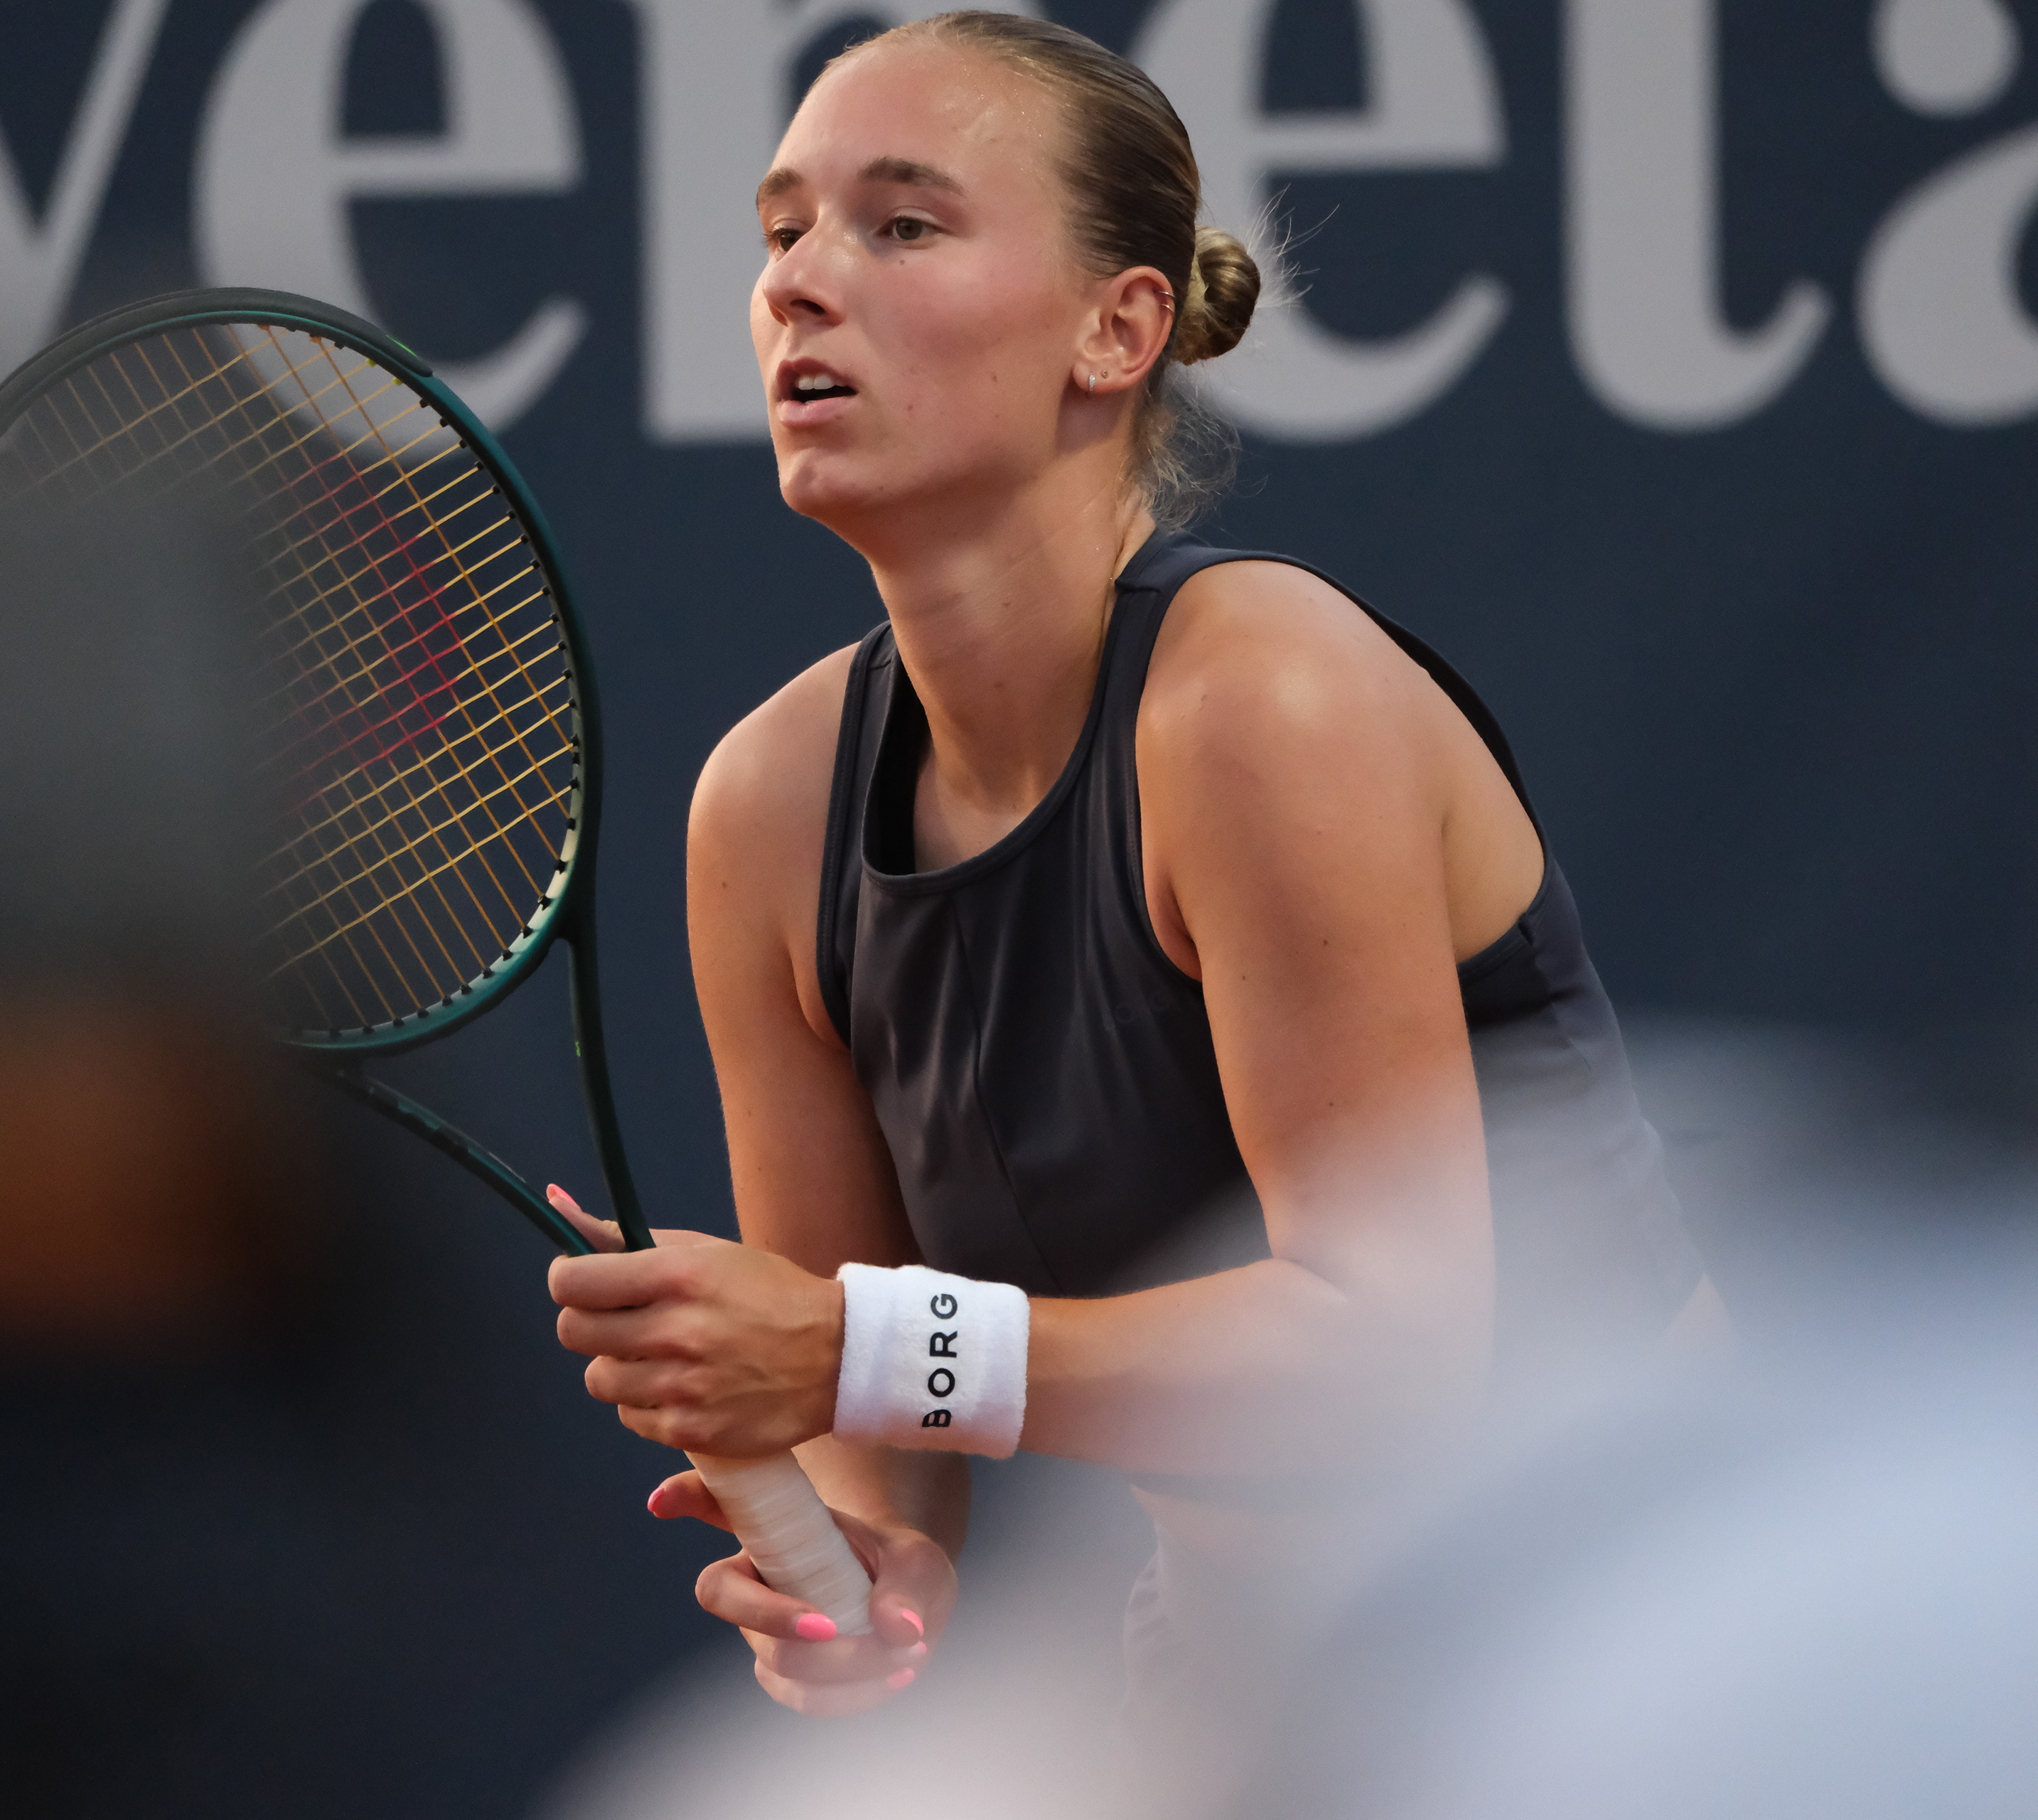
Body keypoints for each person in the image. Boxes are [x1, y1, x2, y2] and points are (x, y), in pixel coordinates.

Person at [542, 11, 1720, 1724]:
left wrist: (862, 1349)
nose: (800, 279)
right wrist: (861, 1567)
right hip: (1233, 1677)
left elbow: (1397, 1347)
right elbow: (869, 1425)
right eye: (782, 227)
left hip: (1635, 1627)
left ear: (1121, 326)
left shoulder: (1262, 691)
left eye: (903, 222)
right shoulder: (767, 809)